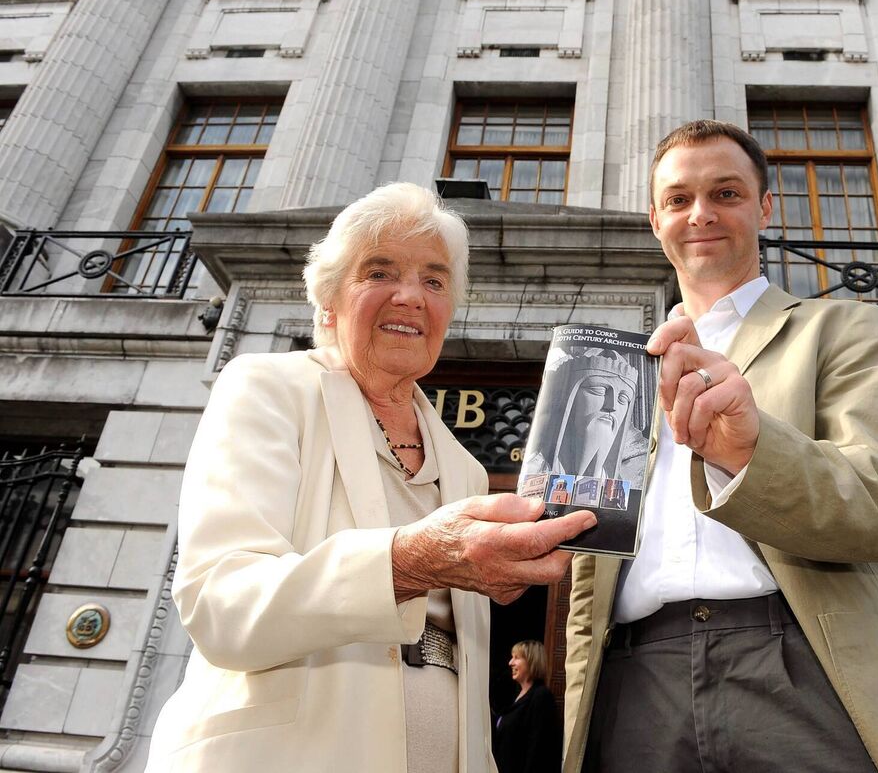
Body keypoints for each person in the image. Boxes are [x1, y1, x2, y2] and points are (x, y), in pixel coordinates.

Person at [146, 183, 596, 772]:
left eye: (434, 281)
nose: (411, 296)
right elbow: (220, 604)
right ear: (329, 300)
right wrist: (410, 561)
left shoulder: (461, 463)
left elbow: (466, 668)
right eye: (380, 271)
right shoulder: (268, 389)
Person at [563, 122, 878, 773]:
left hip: (796, 668)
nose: (701, 215)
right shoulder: (616, 371)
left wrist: (750, 453)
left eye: (726, 193)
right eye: (680, 199)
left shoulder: (844, 330)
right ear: (654, 217)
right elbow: (587, 582)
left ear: (764, 207)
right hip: (636, 683)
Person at [525, 348, 645, 482]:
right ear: (569, 397)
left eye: (623, 398)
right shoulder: (533, 471)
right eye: (598, 390)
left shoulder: (637, 474)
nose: (612, 407)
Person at [492, 640, 561, 773]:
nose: (510, 663)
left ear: (531, 661)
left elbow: (538, 751)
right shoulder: (516, 696)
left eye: (516, 658)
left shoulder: (541, 696)